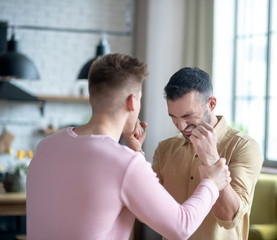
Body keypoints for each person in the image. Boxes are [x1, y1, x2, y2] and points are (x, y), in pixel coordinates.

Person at [26, 54, 231, 240]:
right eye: (140, 98)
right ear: (133, 102)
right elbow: (181, 227)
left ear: (92, 99)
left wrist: (135, 153)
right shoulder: (126, 164)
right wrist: (212, 182)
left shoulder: (46, 146)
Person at [152, 67, 263, 240]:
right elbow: (146, 208)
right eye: (173, 117)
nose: (180, 126)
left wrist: (211, 159)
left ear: (211, 104)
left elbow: (230, 218)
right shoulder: (164, 149)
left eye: (188, 116)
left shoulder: (244, 147)